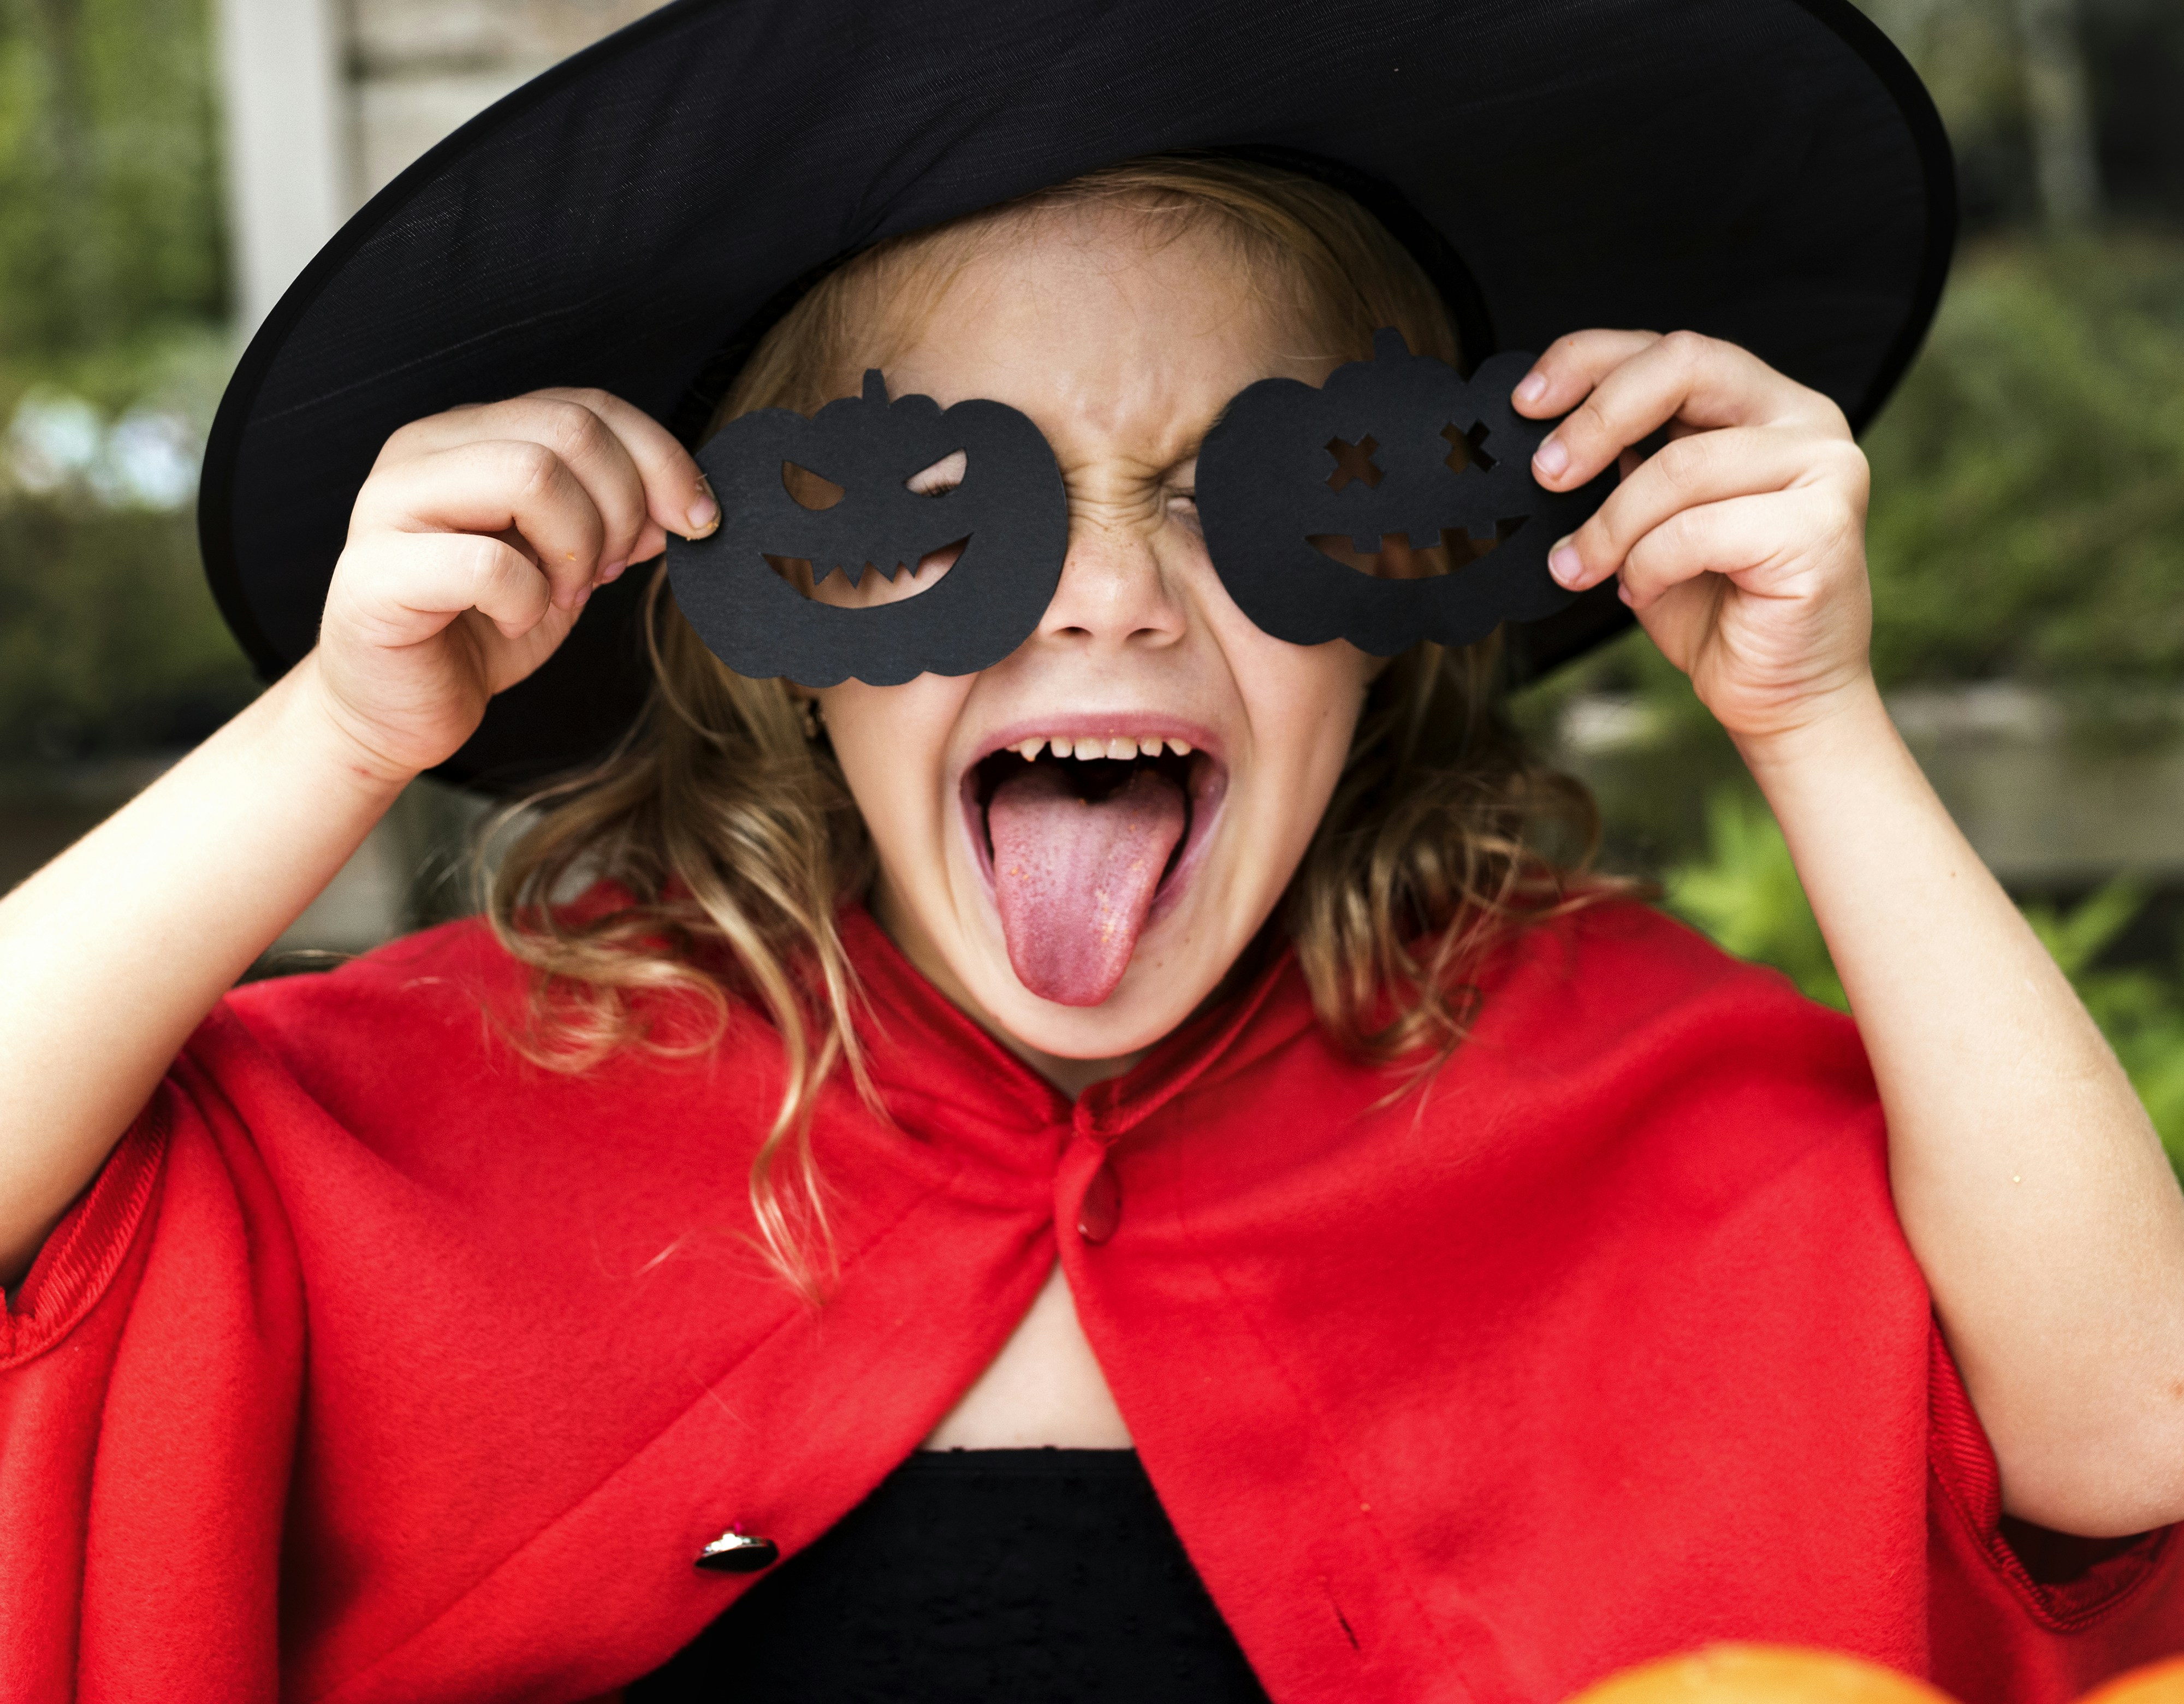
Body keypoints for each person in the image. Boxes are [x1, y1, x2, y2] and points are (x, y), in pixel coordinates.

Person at [4, 5, 2183, 1702]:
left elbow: (2135, 1437)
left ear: (1403, 580)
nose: (1113, 600)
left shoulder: (1632, 1104)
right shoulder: (444, 1126)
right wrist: (344, 730)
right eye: (944, 498)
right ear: (774, 608)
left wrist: (1812, 719)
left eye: (1257, 491)